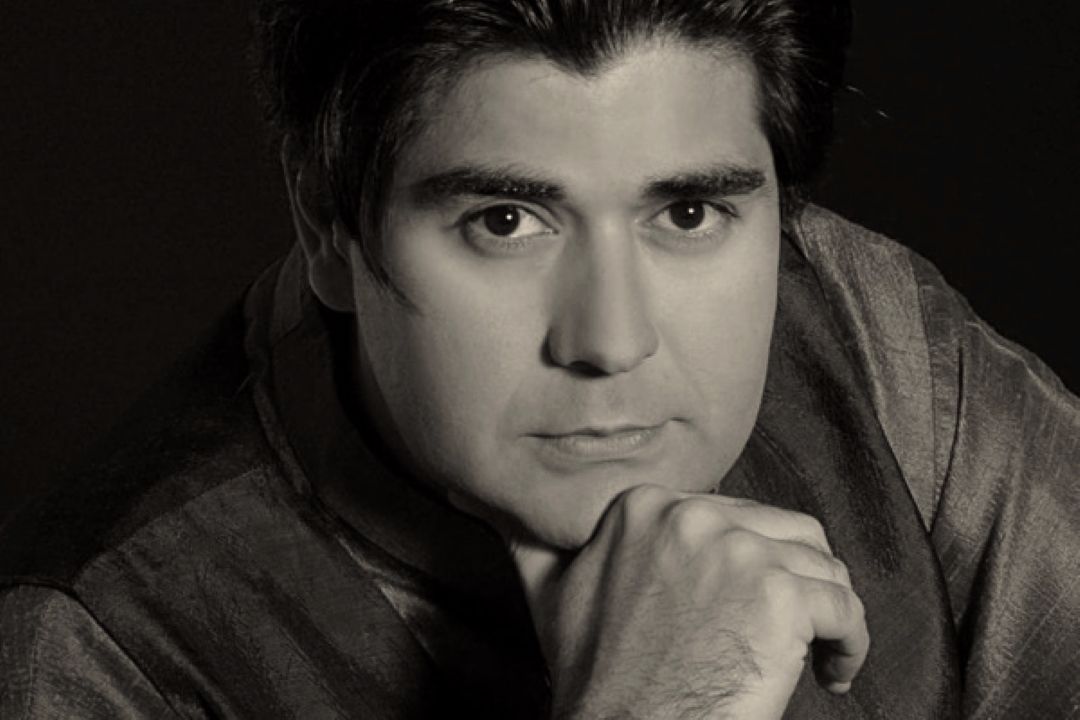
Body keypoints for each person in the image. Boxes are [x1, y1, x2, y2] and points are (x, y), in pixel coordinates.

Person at [1, 0, 1077, 717]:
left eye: (688, 214)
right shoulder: (98, 649)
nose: (609, 341)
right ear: (329, 226)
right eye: (506, 222)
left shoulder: (880, 352)